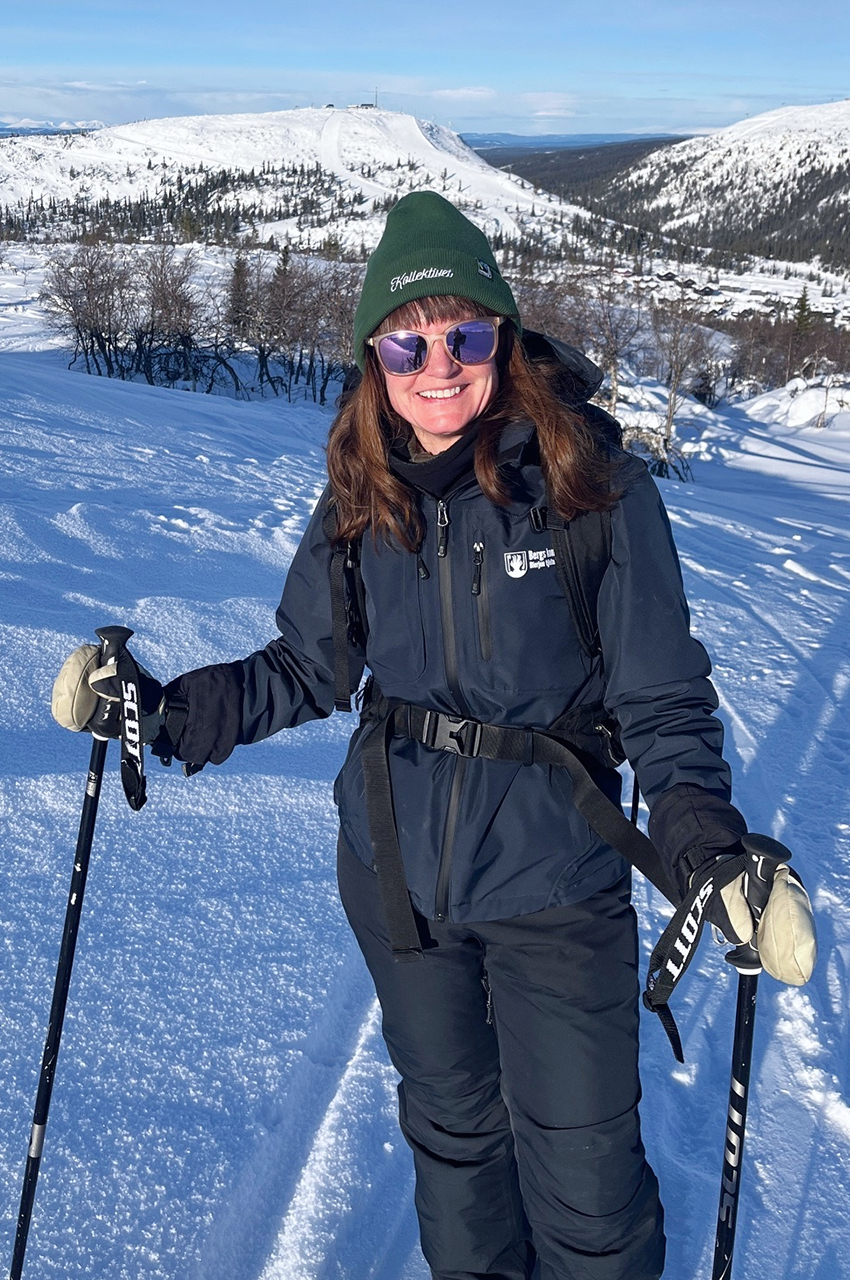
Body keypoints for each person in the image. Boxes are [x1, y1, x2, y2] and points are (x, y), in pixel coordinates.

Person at [52, 192, 817, 1280]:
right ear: (375, 353)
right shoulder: (361, 490)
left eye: (462, 334)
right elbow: (307, 665)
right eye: (408, 341)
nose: (438, 365)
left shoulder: (589, 486)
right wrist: (161, 710)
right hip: (397, 874)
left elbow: (661, 696)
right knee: (453, 1149)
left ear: (502, 336)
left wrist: (705, 845)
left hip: (555, 879)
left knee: (588, 1185)